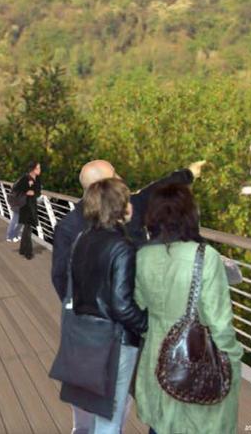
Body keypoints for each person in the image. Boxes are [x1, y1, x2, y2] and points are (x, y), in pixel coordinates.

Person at [134, 182, 242, 434]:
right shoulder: (206, 256)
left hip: (156, 358)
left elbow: (139, 306)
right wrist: (232, 359)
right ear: (190, 214)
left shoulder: (143, 256)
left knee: (161, 426)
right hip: (196, 360)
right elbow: (219, 321)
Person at [59, 177, 147, 433]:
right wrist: (148, 323)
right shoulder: (123, 247)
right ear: (120, 206)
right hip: (115, 342)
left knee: (96, 413)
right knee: (110, 421)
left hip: (85, 336)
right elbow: (122, 306)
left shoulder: (82, 240)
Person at [52, 160, 205, 302]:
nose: (120, 177)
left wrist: (188, 174)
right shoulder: (69, 228)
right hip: (115, 314)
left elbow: (155, 191)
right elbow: (61, 277)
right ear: (103, 186)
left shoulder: (69, 226)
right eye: (114, 175)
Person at [8, 162, 40, 242]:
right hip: (18, 202)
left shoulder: (34, 179)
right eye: (38, 168)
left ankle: (15, 234)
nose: (40, 170)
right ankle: (9, 236)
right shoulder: (25, 178)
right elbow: (15, 188)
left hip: (25, 202)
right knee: (15, 219)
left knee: (21, 221)